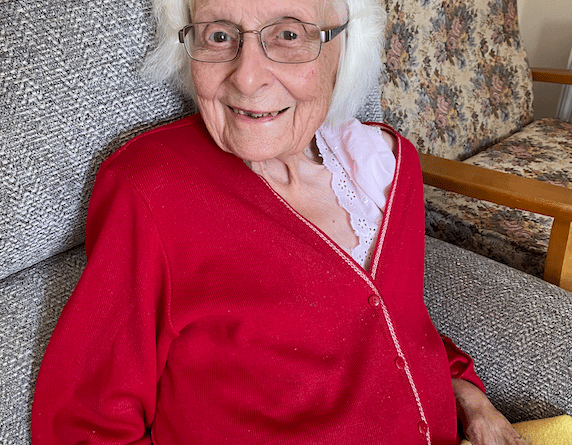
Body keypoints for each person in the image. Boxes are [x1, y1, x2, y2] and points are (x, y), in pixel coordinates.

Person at [31, 0, 529, 443]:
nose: (247, 77)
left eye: (289, 34)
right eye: (219, 35)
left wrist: (469, 398)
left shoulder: (384, 166)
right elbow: (84, 423)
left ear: (345, 46)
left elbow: (391, 320)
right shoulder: (151, 189)